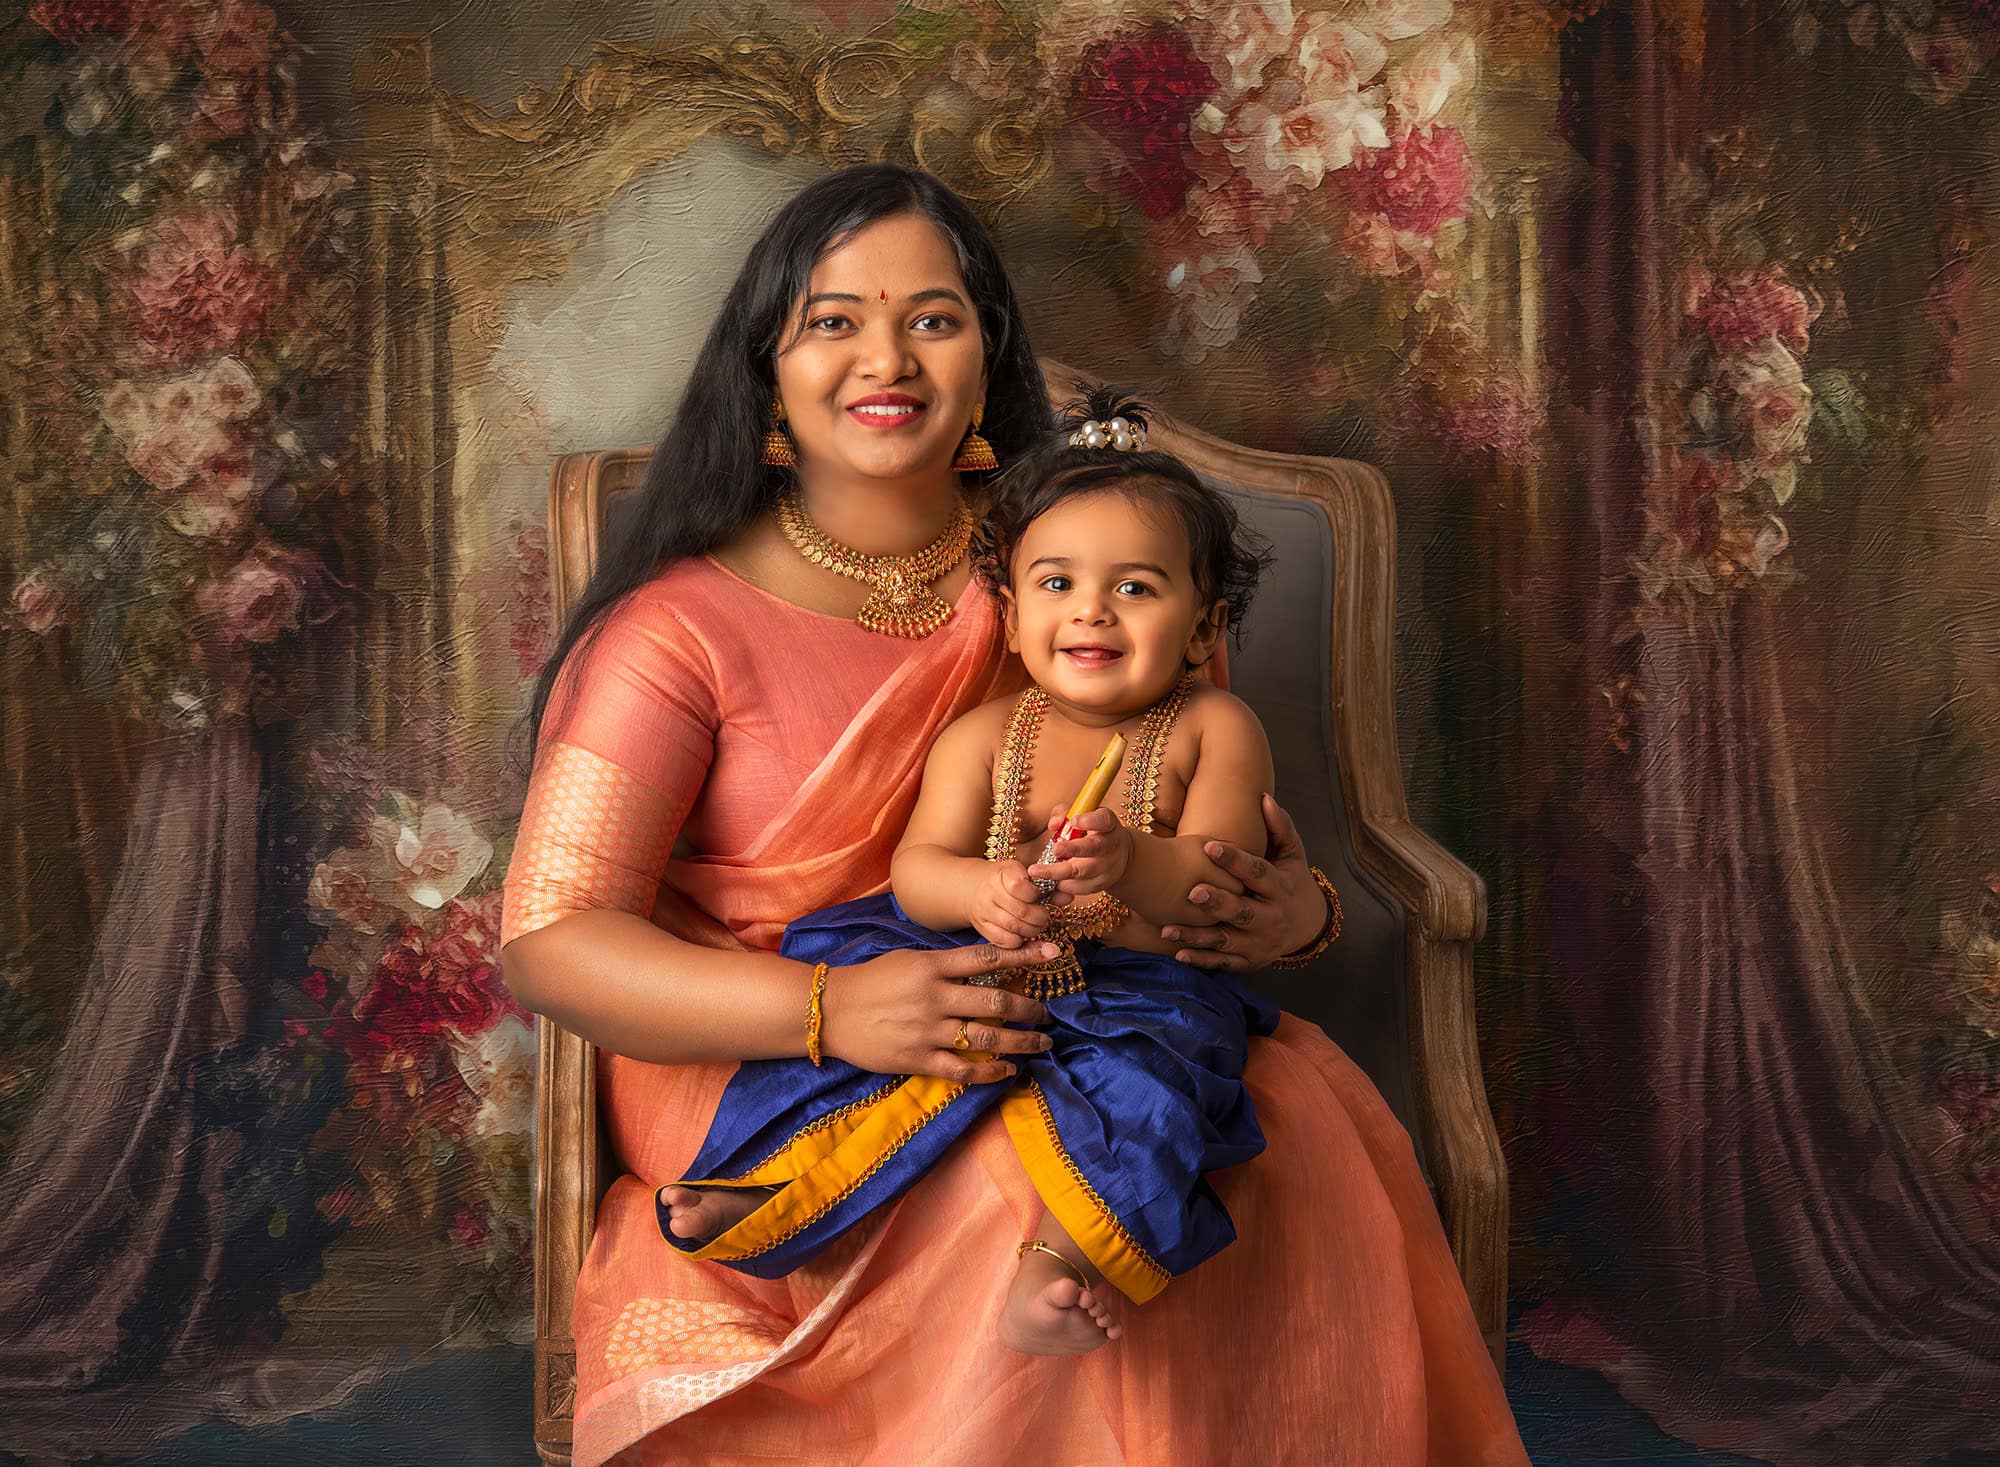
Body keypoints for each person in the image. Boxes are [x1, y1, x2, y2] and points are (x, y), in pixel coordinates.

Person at [502, 162, 1528, 1465]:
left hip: (1078, 998)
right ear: (765, 369)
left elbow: (1209, 837)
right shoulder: (673, 630)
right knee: (1023, 1195)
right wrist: (839, 1012)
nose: (888, 356)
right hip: (756, 1048)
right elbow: (548, 941)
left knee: (1289, 1123)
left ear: (988, 354)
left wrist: (1293, 906)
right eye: (833, 321)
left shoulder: (1084, 561)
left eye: (932, 316)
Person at [659, 391, 1290, 1357]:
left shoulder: (1214, 727)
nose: (1091, 609)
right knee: (855, 1056)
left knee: (1152, 1103)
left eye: (1135, 588)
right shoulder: (987, 734)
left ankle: (1059, 1266)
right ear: (1008, 612)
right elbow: (918, 871)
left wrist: (1131, 862)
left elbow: (1214, 886)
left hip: (1142, 986)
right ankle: (768, 1184)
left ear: (1202, 629)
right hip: (976, 956)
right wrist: (982, 890)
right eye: (1056, 582)